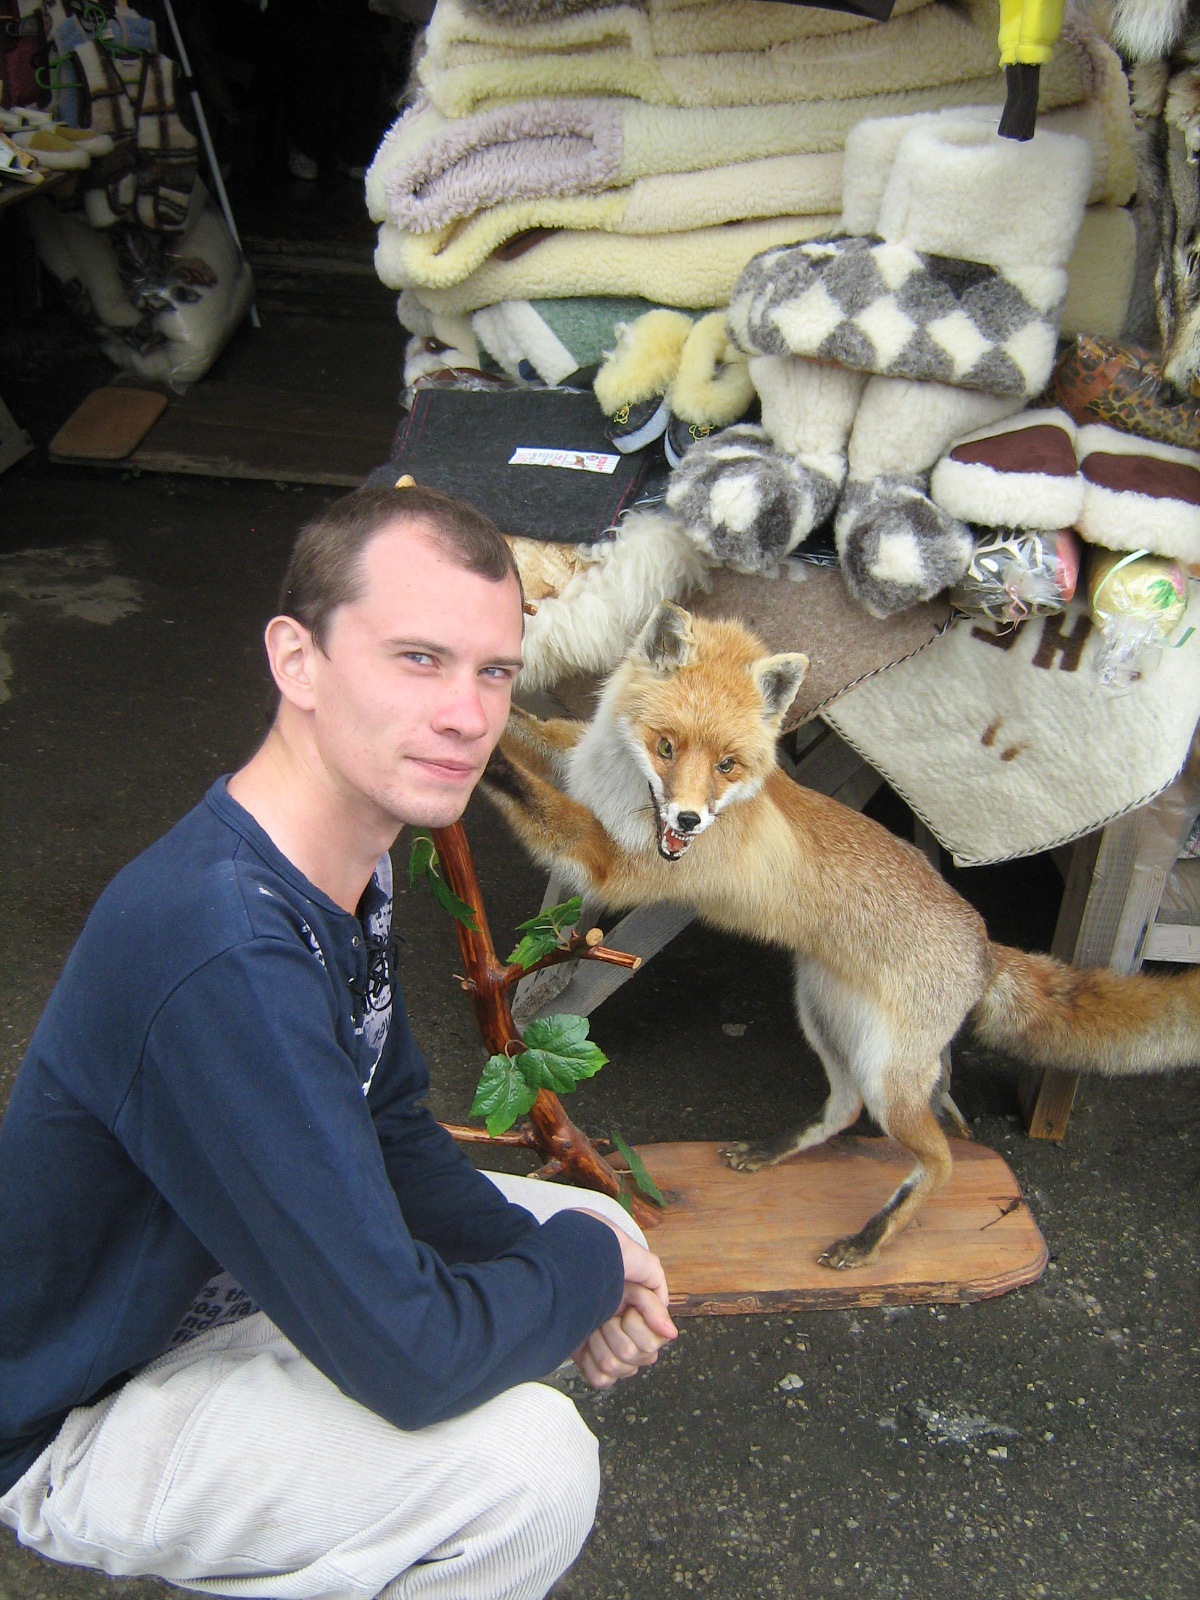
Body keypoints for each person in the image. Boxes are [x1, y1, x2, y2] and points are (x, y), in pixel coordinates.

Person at [0, 484, 677, 1600]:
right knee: (528, 1468)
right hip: (86, 1400)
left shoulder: (331, 857)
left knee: (587, 1229)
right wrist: (582, 1277)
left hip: (229, 1276)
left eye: (494, 672)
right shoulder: (222, 947)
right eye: (418, 659)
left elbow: (389, 1122)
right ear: (297, 660)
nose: (468, 715)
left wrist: (569, 1264)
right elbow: (412, 1362)